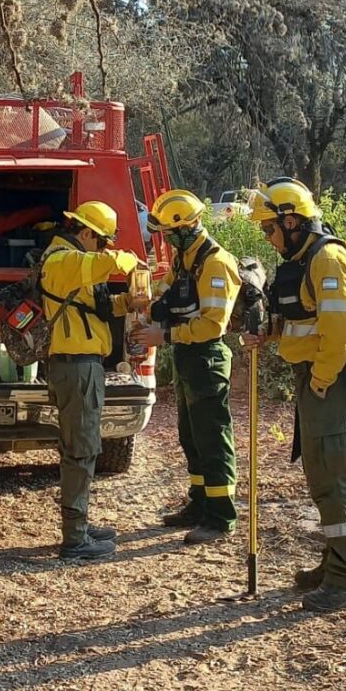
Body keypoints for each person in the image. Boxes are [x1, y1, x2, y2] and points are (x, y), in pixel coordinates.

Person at [245, 177, 346, 613]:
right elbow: (303, 317)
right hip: (315, 377)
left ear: (292, 220)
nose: (268, 236)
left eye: (269, 228)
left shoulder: (328, 259)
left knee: (333, 477)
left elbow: (340, 329)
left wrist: (319, 380)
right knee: (322, 477)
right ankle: (335, 562)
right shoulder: (299, 260)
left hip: (329, 381)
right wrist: (270, 333)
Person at [132, 189, 241, 543]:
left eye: (169, 232)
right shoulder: (184, 258)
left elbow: (213, 324)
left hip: (206, 356)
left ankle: (221, 515)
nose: (165, 238)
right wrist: (145, 307)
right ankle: (199, 503)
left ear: (186, 228)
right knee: (190, 436)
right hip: (186, 355)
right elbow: (164, 293)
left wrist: (163, 337)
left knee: (212, 437)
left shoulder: (215, 263)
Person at [40, 201, 141, 563]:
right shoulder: (61, 260)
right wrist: (126, 260)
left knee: (81, 448)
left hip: (82, 366)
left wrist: (129, 300)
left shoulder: (75, 267)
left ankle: (80, 526)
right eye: (102, 242)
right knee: (81, 451)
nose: (105, 249)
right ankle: (75, 539)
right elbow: (96, 265)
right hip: (76, 368)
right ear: (85, 233)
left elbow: (98, 305)